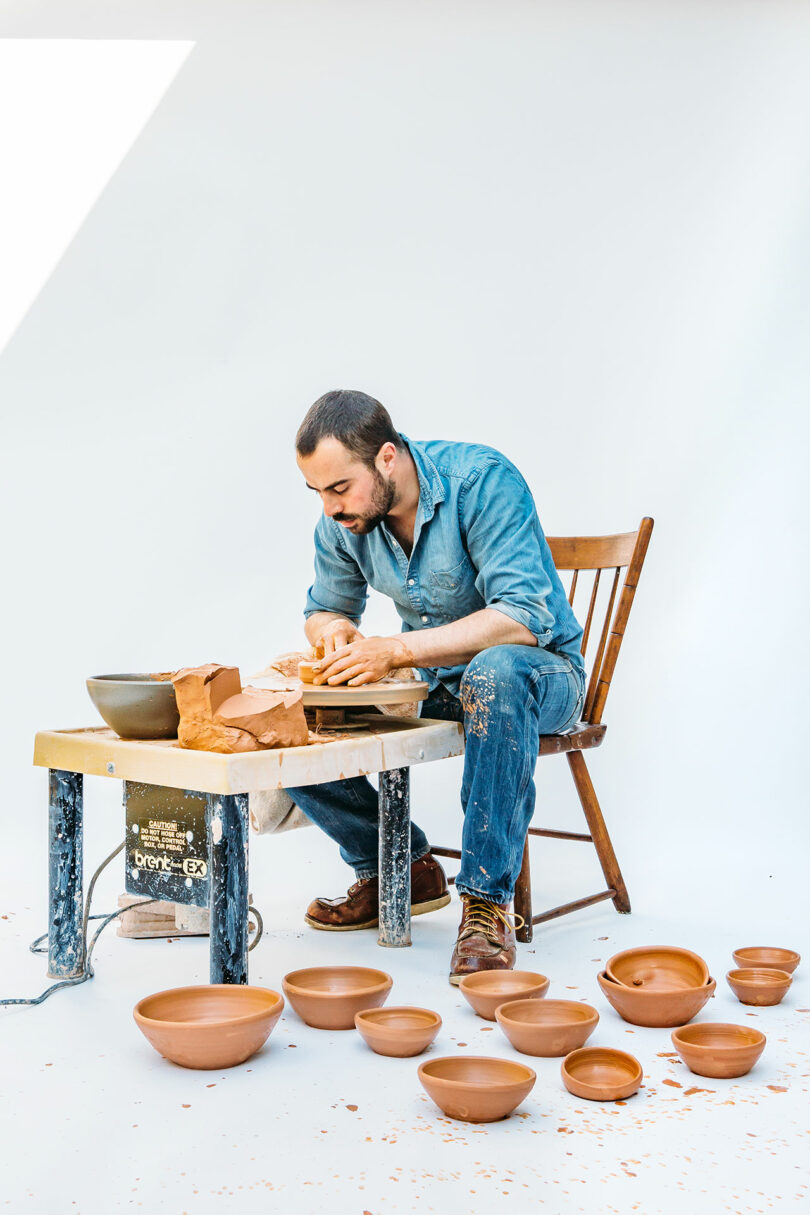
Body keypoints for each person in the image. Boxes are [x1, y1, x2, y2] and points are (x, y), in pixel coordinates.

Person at [284, 389, 586, 984]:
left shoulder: (481, 481)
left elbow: (523, 616)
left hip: (539, 676)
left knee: (493, 671)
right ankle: (399, 866)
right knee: (290, 703)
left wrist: (396, 648)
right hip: (437, 682)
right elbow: (322, 608)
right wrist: (335, 633)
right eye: (316, 492)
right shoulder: (346, 520)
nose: (328, 508)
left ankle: (484, 905)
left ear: (388, 458)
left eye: (339, 488)